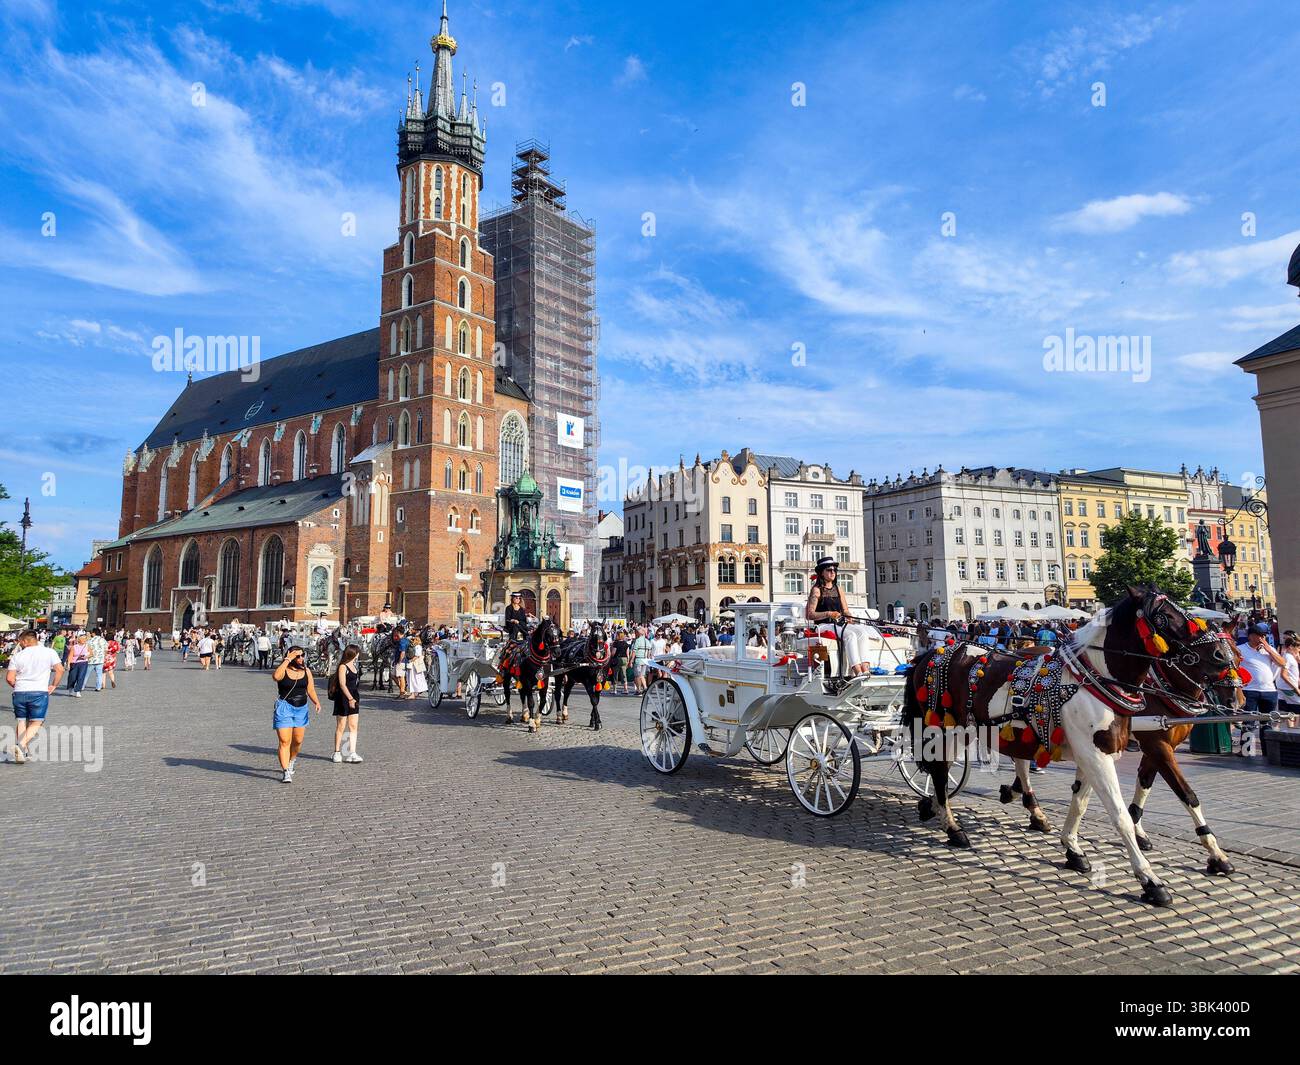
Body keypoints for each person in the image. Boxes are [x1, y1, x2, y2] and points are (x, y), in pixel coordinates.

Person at [805, 556, 875, 676]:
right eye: (829, 570)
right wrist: (828, 614)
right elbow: (809, 614)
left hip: (839, 623)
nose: (833, 572)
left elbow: (845, 610)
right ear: (822, 572)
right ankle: (857, 671)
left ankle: (866, 668)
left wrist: (849, 616)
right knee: (850, 635)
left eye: (834, 570)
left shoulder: (838, 589)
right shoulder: (816, 590)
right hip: (823, 625)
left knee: (862, 632)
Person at [5, 630, 65, 764]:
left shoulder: (18, 656)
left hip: (20, 692)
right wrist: (54, 685)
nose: (19, 644)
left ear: (25, 641)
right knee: (37, 721)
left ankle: (23, 751)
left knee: (21, 721)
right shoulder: (49, 652)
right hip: (39, 691)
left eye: (20, 641)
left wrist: (17, 686)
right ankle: (21, 746)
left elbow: (9, 678)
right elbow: (60, 669)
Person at [272, 642, 321, 784]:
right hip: (284, 707)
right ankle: (286, 771)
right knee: (284, 741)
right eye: (298, 656)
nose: (301, 658)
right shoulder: (284, 669)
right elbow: (276, 676)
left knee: (298, 741)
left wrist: (316, 702)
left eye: (302, 655)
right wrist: (287, 659)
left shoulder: (306, 671)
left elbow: (310, 689)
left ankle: (292, 760)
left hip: (301, 708)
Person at [1237, 622, 1288, 755]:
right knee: (1249, 722)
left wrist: (1269, 649)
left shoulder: (1269, 650)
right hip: (1250, 690)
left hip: (1269, 691)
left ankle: (1267, 751)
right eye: (1259, 635)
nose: (1261, 638)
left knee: (1267, 723)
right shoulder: (1241, 649)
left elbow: (1283, 663)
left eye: (1264, 636)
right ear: (1251, 636)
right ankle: (1246, 751)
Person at [330, 645, 363, 763]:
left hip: (354, 696)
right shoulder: (343, 667)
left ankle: (352, 752)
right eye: (358, 652)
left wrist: (354, 698)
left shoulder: (355, 666)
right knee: (341, 726)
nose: (359, 654)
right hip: (343, 698)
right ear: (353, 654)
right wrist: (350, 698)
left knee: (353, 726)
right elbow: (342, 684)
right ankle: (337, 752)